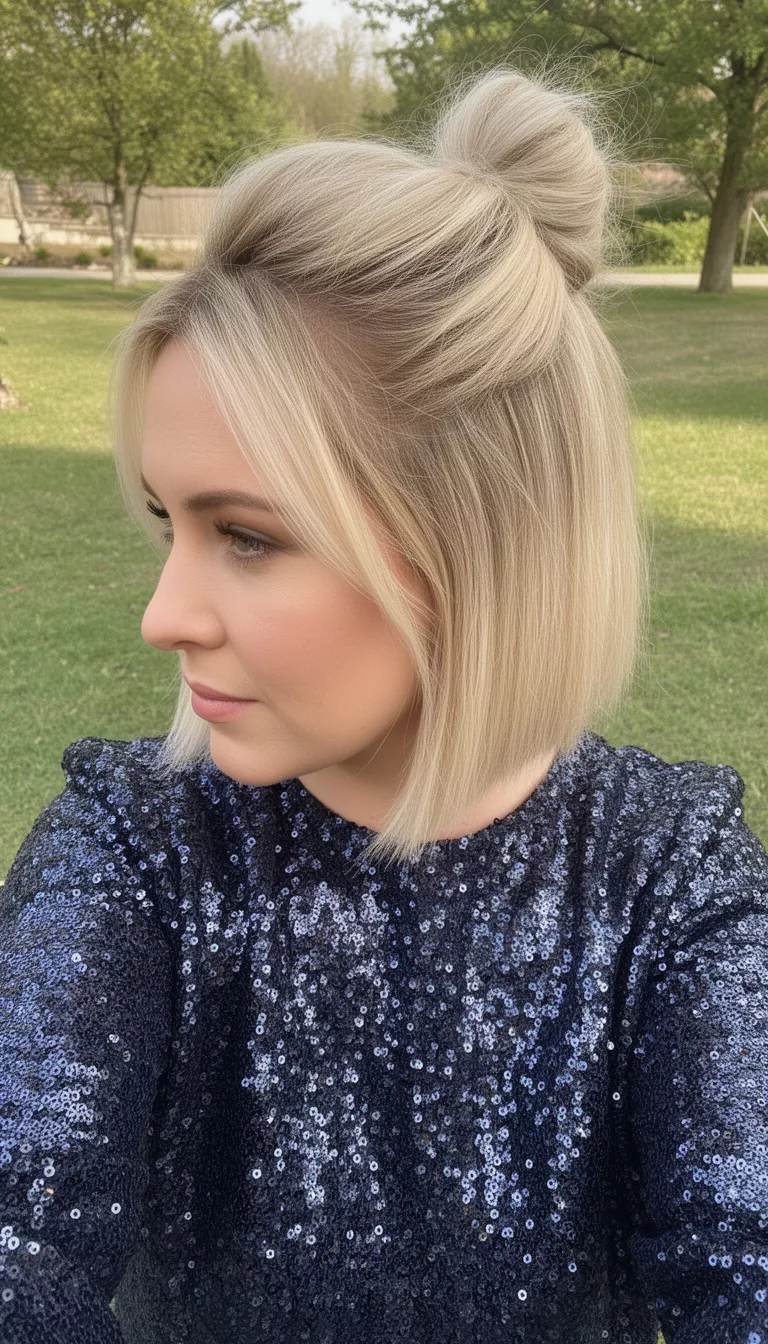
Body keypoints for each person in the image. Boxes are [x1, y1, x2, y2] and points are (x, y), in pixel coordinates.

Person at [1, 60, 766, 1344]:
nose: (161, 614)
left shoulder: (669, 889)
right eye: (165, 523)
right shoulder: (132, 852)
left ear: (479, 539)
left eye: (244, 536)